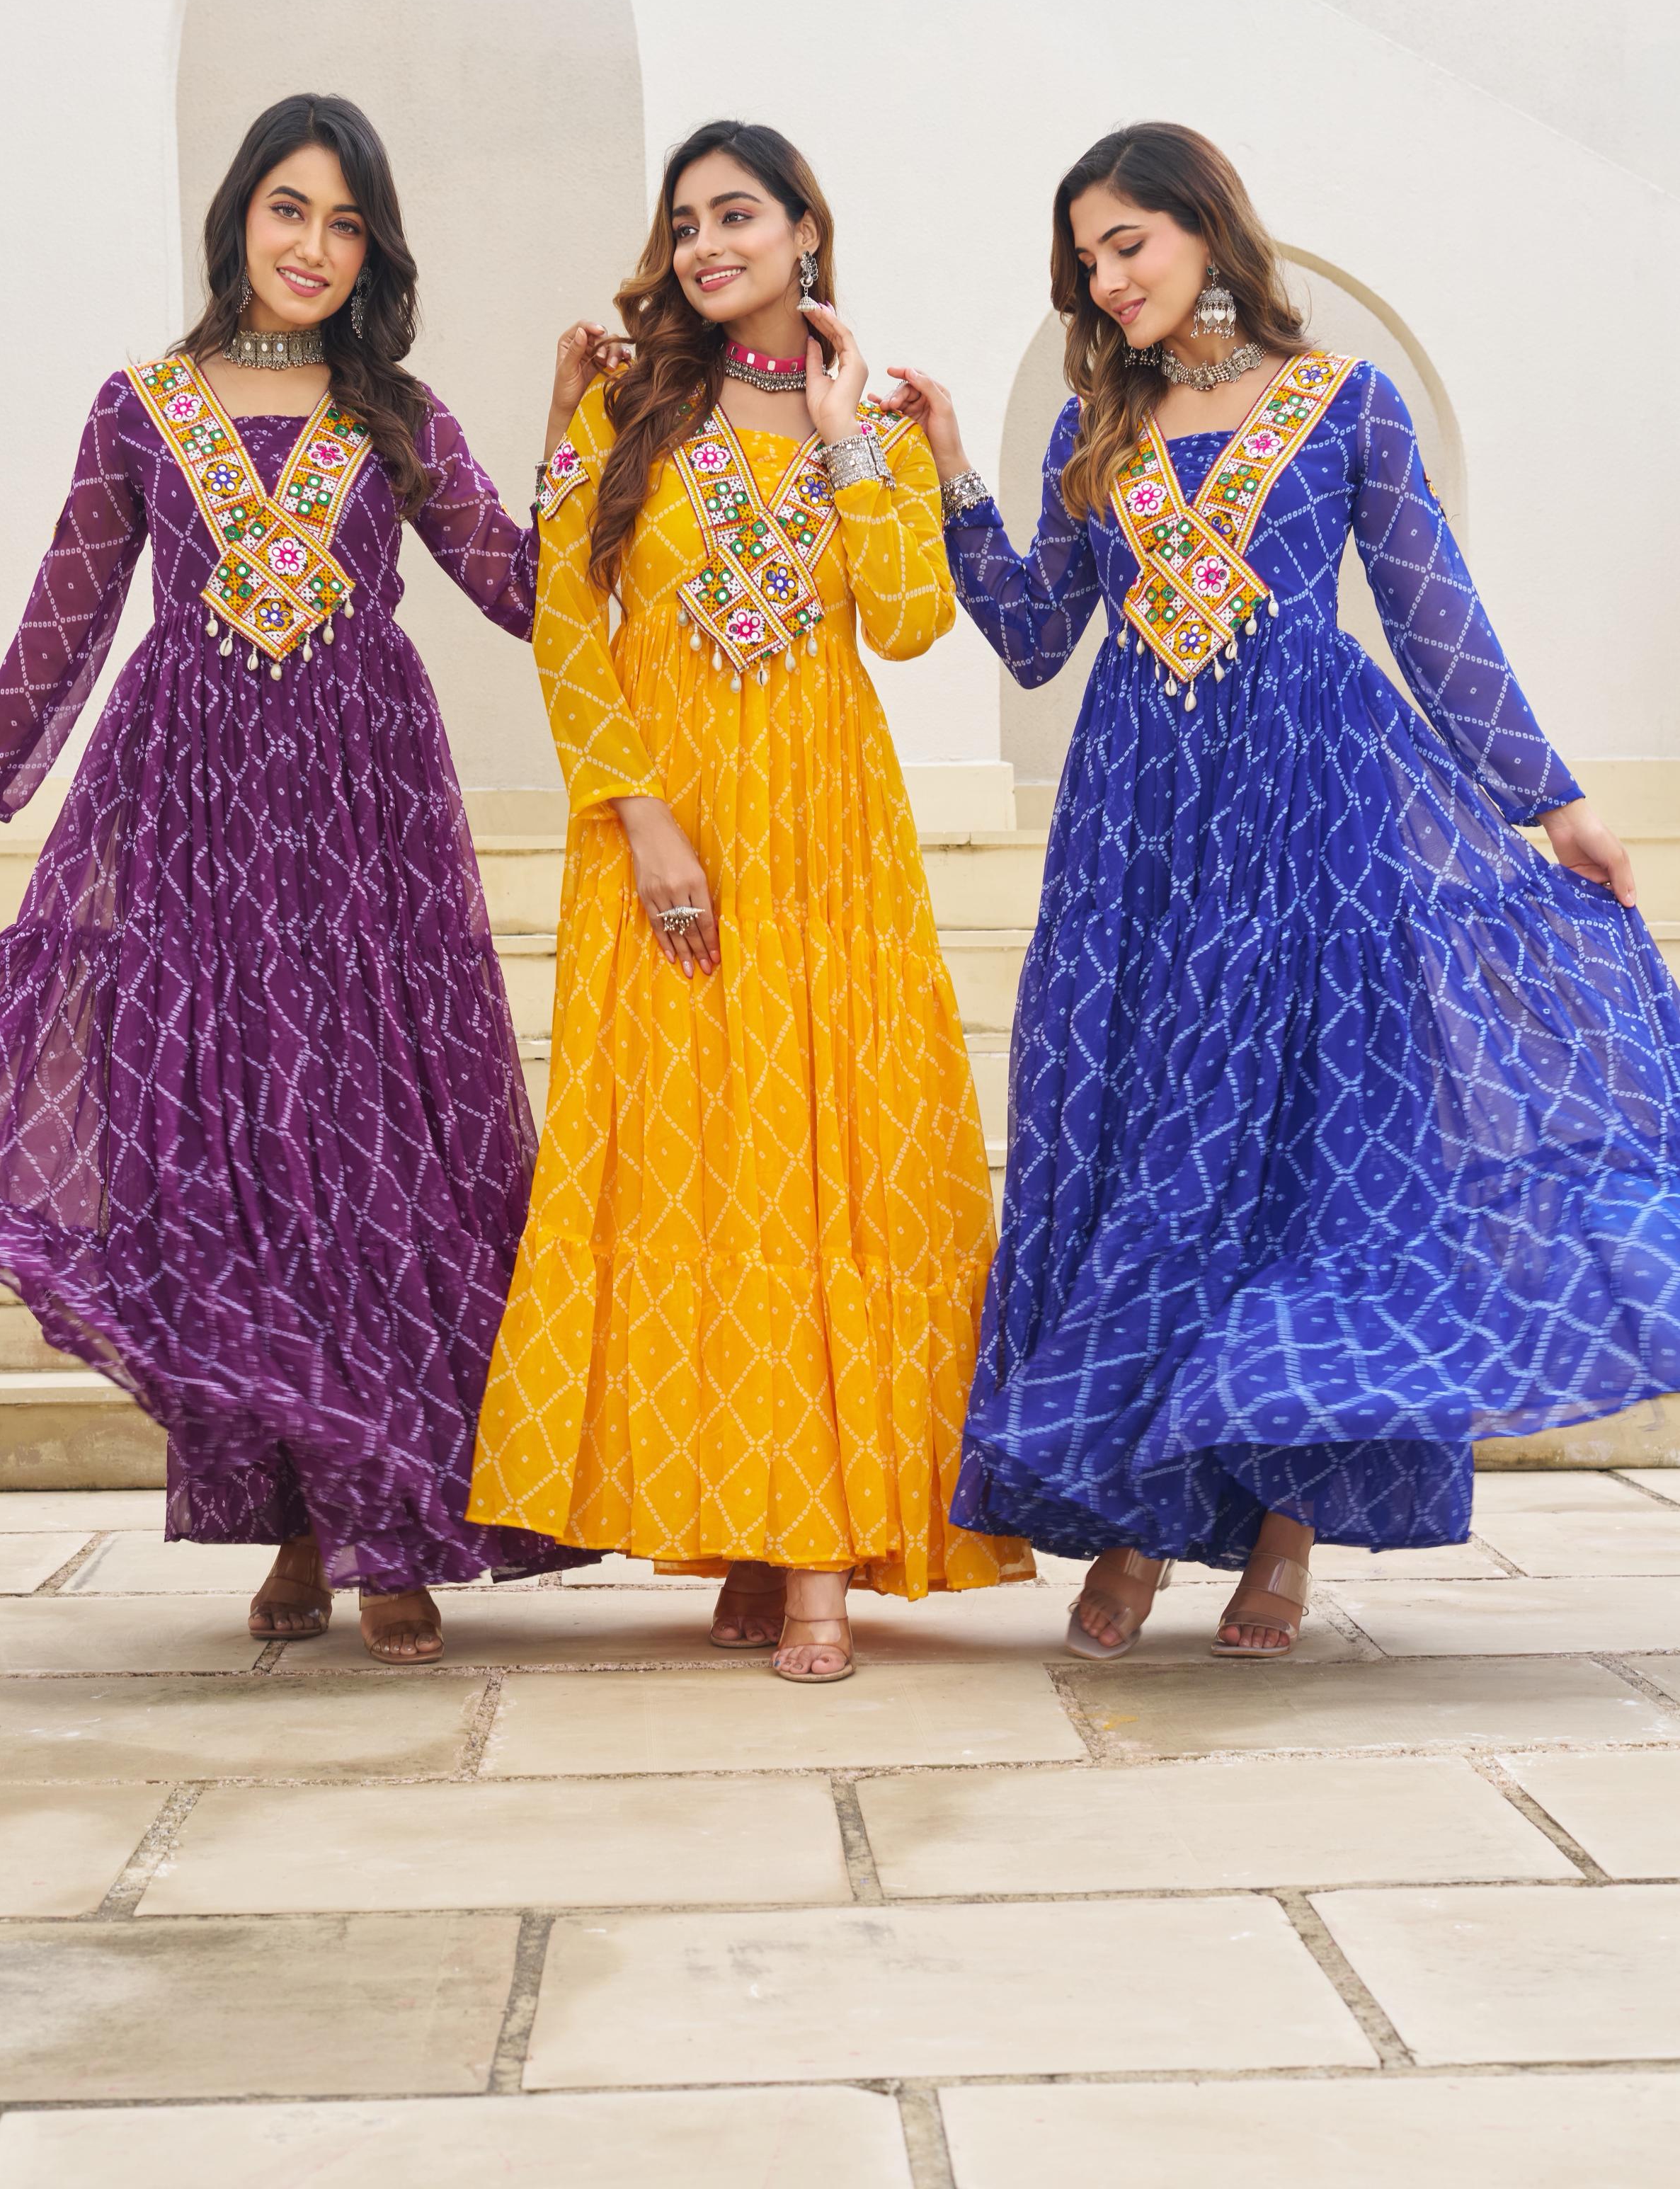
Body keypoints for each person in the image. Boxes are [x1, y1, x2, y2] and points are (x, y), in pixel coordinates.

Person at [0, 93, 612, 1660]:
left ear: (375, 250)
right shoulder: (141, 406)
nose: (313, 247)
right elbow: (66, 610)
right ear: (237, 218)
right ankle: (298, 1521)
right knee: (230, 1157)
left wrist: (570, 428)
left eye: (345, 223)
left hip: (365, 830)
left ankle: (386, 1520)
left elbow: (529, 591)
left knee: (364, 1153)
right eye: (289, 210)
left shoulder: (397, 413)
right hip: (190, 819)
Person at [888, 121, 1679, 1659]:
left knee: (1303, 1165)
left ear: (1205, 226)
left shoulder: (1343, 400)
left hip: (1312, 828)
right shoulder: (1095, 429)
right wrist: (949, 473)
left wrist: (1552, 800)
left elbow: (1432, 613)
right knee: (1143, 1154)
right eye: (1085, 260)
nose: (1106, 280)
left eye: (1127, 243)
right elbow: (1037, 637)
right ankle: (1133, 1515)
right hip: (1136, 838)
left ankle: (1286, 1531)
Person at [468, 119, 1033, 1681]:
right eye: (684, 223)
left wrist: (853, 440)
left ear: (803, 232)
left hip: (829, 848)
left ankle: (816, 1557)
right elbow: (561, 621)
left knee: (823, 1171)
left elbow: (910, 623)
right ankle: (741, 1518)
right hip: (664, 840)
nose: (706, 245)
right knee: (698, 1174)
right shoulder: (624, 407)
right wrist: (642, 817)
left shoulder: (875, 424)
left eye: (735, 215)